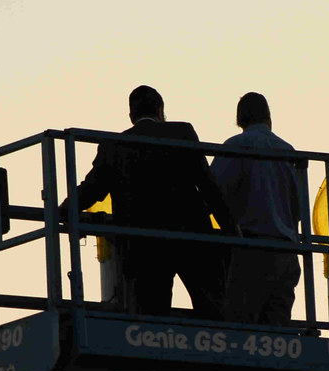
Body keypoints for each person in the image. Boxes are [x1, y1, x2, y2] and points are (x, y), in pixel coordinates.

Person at [62, 85, 236, 319]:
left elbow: (91, 190)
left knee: (152, 316)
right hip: (191, 237)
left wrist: (63, 209)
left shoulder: (114, 145)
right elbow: (208, 186)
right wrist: (231, 228)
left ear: (131, 115)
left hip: (144, 246)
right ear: (161, 111)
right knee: (212, 308)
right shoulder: (182, 133)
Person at [211, 92, 301, 325]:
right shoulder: (289, 151)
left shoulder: (235, 146)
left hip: (252, 250)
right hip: (287, 253)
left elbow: (214, 194)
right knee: (277, 335)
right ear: (268, 118)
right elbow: (297, 208)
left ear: (240, 120)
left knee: (241, 330)